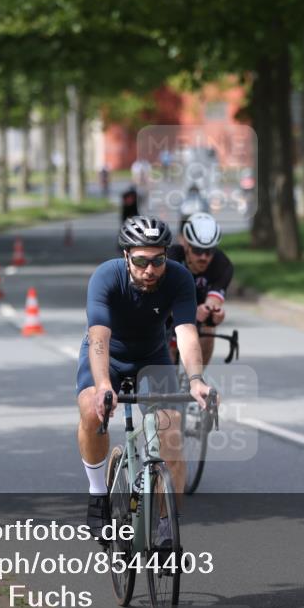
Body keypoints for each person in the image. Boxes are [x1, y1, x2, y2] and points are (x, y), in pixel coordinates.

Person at [76, 216, 214, 542]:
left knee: (171, 435)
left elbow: (186, 333)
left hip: (152, 358)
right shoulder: (106, 277)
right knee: (91, 411)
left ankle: (167, 530)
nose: (149, 269)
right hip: (107, 356)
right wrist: (104, 386)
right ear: (126, 257)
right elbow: (98, 337)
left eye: (158, 260)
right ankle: (98, 495)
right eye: (140, 261)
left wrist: (195, 380)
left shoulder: (179, 279)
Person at [166, 213, 234, 367]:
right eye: (197, 250)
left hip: (198, 314)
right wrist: (189, 312)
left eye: (209, 251)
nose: (203, 257)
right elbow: (160, 300)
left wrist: (214, 312)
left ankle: (195, 381)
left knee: (209, 328)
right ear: (186, 245)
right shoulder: (170, 259)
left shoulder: (222, 264)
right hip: (167, 311)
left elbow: (214, 300)